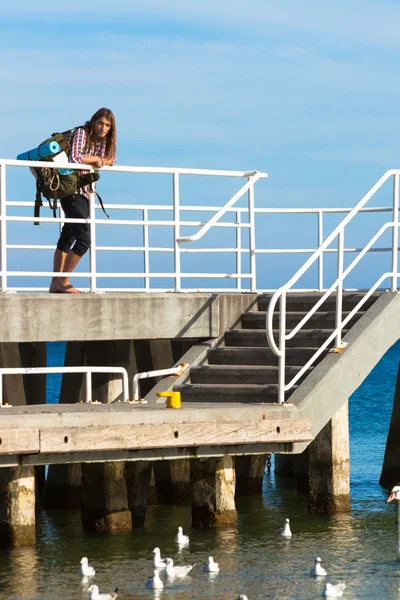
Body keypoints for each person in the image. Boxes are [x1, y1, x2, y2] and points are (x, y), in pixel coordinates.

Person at [49, 108, 117, 293]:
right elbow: (76, 157)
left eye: (107, 125)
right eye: (101, 123)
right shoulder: (82, 133)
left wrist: (102, 161)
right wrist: (96, 159)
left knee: (68, 236)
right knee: (84, 240)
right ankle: (63, 281)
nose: (103, 128)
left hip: (86, 193)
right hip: (71, 191)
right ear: (94, 122)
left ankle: (56, 283)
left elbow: (113, 158)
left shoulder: (104, 141)